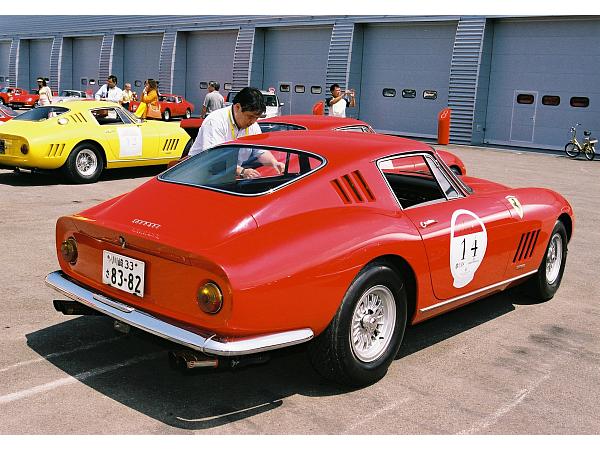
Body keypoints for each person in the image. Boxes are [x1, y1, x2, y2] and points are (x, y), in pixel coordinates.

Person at [188, 87, 284, 178]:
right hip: (199, 173)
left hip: (227, 174)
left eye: (256, 118)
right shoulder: (215, 121)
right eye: (250, 117)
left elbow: (260, 152)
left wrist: (274, 163)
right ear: (237, 107)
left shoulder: (253, 126)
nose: (253, 121)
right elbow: (214, 159)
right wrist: (242, 171)